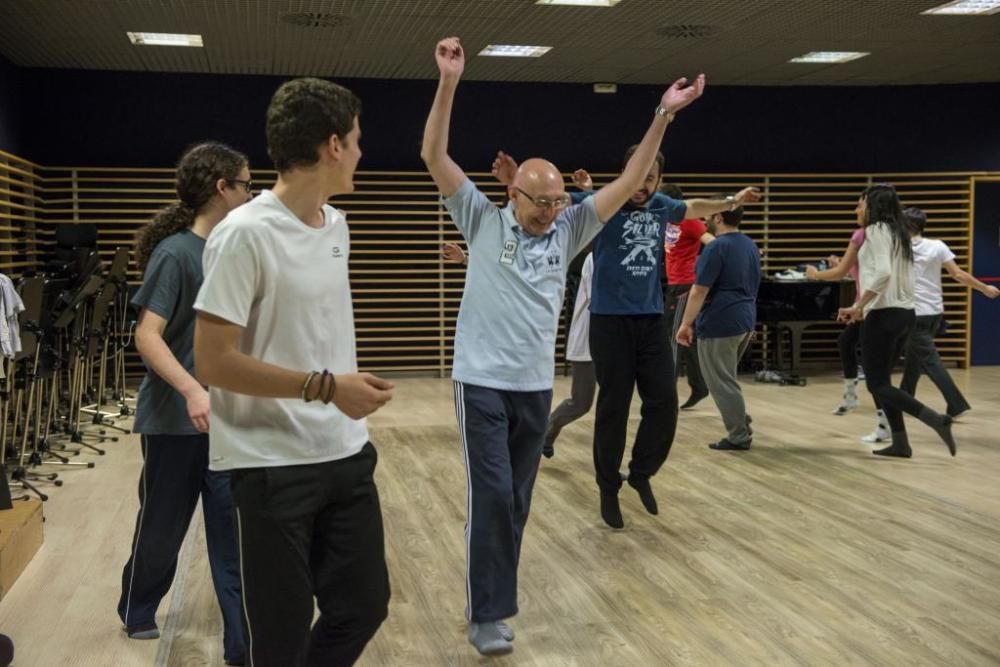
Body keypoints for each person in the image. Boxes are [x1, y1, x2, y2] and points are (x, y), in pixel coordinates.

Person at [420, 35, 703, 655]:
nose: (551, 211)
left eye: (556, 202)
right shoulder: (481, 219)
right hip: (481, 382)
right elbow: (433, 152)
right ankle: (487, 611)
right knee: (493, 493)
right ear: (512, 194)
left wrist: (663, 114)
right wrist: (448, 82)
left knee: (516, 500)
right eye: (539, 202)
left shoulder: (573, 228)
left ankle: (492, 583)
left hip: (533, 386)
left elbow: (631, 177)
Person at [194, 78, 394, 667]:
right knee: (278, 638)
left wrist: (340, 395)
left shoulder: (336, 225)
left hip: (344, 453)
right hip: (270, 466)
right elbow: (213, 361)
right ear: (333, 145)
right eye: (357, 140)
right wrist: (328, 388)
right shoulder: (243, 235)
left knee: (364, 606)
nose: (361, 151)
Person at [117, 142, 250, 666]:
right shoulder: (174, 254)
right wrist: (193, 389)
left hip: (227, 424)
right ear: (222, 189)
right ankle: (138, 605)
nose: (251, 191)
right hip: (173, 423)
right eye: (244, 183)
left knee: (231, 530)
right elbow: (146, 336)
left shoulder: (234, 250)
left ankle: (242, 640)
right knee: (163, 524)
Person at [836, 184, 957, 459]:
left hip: (883, 314)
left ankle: (936, 419)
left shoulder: (876, 230)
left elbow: (882, 274)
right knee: (885, 384)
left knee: (877, 385)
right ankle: (901, 443)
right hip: (905, 314)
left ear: (873, 206)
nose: (858, 208)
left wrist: (858, 306)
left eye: (861, 203)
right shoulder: (899, 232)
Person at [676, 201, 761, 450]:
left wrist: (685, 324)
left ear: (719, 217)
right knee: (726, 378)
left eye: (709, 216)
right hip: (745, 317)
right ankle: (740, 420)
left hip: (720, 321)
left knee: (720, 381)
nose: (705, 221)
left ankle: (738, 435)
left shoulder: (716, 247)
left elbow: (699, 291)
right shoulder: (749, 244)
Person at [899, 206, 999, 417]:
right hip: (935, 311)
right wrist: (984, 288)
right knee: (914, 357)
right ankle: (904, 397)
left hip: (913, 312)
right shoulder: (937, 246)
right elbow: (958, 274)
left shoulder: (898, 247)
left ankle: (956, 403)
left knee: (930, 361)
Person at [661, 183, 713, 410]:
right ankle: (699, 384)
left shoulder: (690, 221)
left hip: (684, 284)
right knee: (685, 339)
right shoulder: (668, 221)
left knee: (671, 339)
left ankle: (667, 393)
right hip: (673, 284)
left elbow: (712, 242)